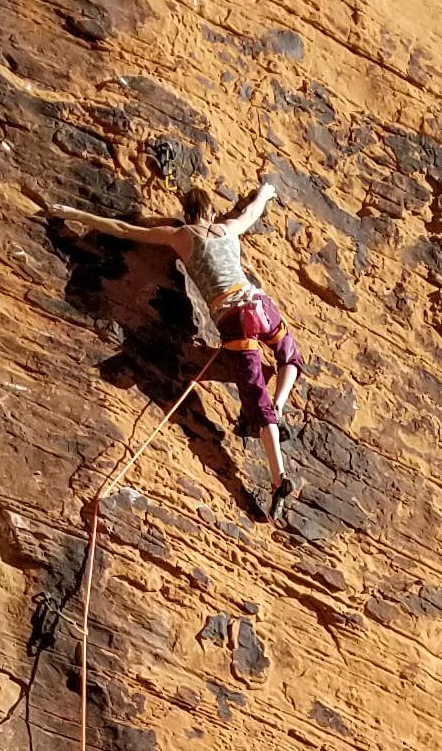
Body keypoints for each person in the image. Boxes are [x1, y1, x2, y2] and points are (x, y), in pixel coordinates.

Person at [51, 179, 303, 516]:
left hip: (234, 317)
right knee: (289, 353)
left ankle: (279, 477)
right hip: (259, 304)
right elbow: (252, 212)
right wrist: (267, 192)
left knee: (255, 395)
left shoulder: (180, 236)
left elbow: (123, 229)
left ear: (186, 214)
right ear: (211, 211)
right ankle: (282, 404)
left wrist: (75, 214)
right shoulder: (228, 228)